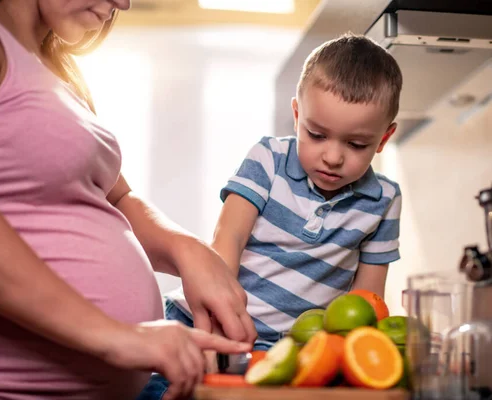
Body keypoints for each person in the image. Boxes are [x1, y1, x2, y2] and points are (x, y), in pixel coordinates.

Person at [0, 1, 257, 399]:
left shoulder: (58, 69)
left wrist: (187, 250)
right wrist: (120, 337)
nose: (124, 3)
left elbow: (117, 196)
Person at [140, 32, 403, 398]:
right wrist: (215, 327)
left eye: (356, 144)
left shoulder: (384, 200)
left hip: (282, 350)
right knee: (154, 389)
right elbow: (226, 242)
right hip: (204, 320)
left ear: (384, 139)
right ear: (297, 115)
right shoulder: (268, 159)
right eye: (316, 134)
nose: (332, 156)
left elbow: (366, 302)